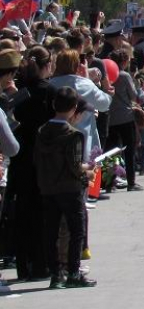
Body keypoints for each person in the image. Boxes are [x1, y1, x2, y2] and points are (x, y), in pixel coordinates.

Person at [35, 86, 96, 289]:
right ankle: (73, 272)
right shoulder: (73, 135)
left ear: (54, 105)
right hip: (70, 188)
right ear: (73, 108)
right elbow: (74, 165)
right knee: (76, 229)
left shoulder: (42, 131)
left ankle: (55, 274)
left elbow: (37, 160)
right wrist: (87, 172)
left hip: (48, 186)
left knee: (50, 230)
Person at [7, 46, 54, 281]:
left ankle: (23, 266)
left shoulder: (18, 91)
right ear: (46, 65)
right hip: (43, 157)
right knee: (43, 213)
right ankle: (42, 265)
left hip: (21, 156)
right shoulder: (49, 91)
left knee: (23, 212)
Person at [107, 48, 144, 192]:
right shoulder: (124, 76)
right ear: (123, 61)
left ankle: (110, 184)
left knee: (111, 152)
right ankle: (131, 182)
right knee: (129, 150)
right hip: (125, 117)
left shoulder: (108, 76)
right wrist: (139, 87)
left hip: (111, 118)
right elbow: (134, 96)